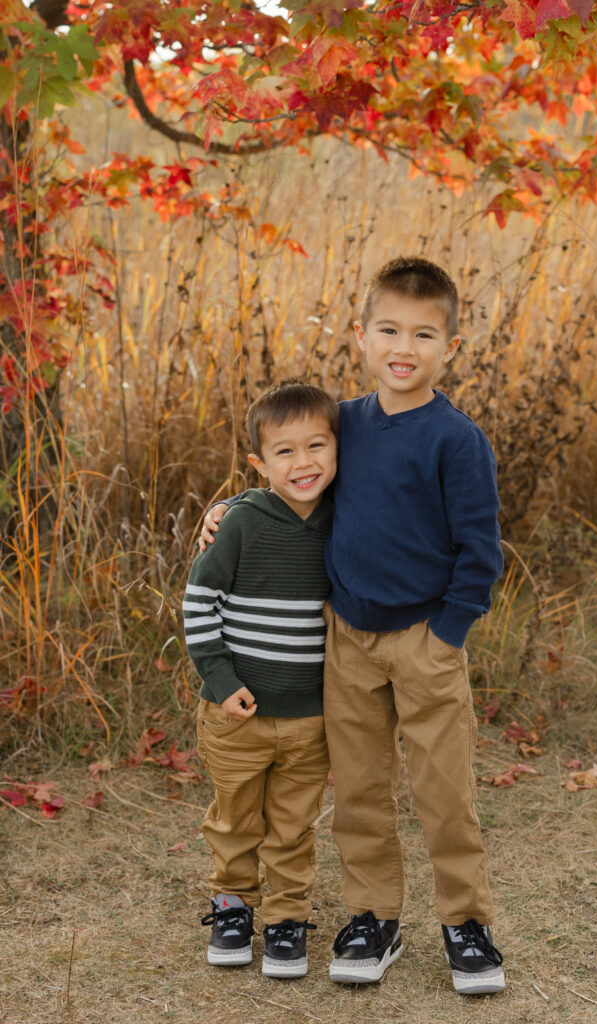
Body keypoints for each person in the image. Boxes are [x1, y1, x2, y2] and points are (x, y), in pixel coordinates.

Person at [201, 256, 505, 996]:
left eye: (424, 334)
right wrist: (233, 509)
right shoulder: (345, 421)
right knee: (361, 789)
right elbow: (296, 477)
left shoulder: (455, 439)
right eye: (389, 330)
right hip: (347, 638)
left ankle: (465, 922)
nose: (405, 347)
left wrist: (448, 634)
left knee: (442, 790)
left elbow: (481, 550)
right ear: (361, 337)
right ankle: (373, 916)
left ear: (449, 348)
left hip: (425, 638)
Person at [184, 379, 338, 980]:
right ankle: (231, 905)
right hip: (235, 712)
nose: (303, 463)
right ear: (259, 462)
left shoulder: (342, 520)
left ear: (337, 450)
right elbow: (200, 602)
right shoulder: (241, 523)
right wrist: (221, 680)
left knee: (294, 825)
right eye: (285, 451)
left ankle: (286, 920)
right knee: (235, 817)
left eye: (317, 446)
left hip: (309, 716)